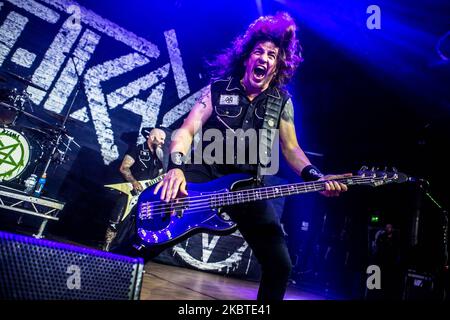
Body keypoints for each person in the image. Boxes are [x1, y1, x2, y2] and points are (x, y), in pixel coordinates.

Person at [154, 12, 350, 301]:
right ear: (247, 58)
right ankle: (108, 280)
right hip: (203, 172)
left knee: (280, 265)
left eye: (272, 54)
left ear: (277, 65)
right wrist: (176, 168)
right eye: (259, 51)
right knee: (148, 229)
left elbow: (292, 150)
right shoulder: (218, 90)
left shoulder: (281, 102)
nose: (264, 57)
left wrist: (317, 178)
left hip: (246, 185)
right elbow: (188, 129)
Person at [103, 128, 166, 251]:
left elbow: (159, 176)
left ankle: (125, 253)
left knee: (137, 226)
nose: (163, 142)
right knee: (116, 220)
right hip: (130, 192)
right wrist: (134, 182)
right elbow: (124, 168)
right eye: (161, 139)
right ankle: (106, 249)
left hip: (145, 196)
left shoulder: (159, 155)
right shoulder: (137, 149)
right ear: (152, 137)